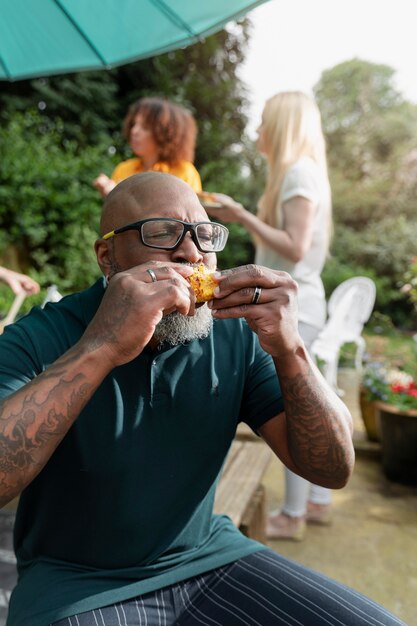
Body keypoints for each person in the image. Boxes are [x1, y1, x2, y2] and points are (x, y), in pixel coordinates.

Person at [0, 173, 405, 626]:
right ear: (107, 257)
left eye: (204, 235)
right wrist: (102, 346)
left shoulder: (237, 333)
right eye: (162, 232)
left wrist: (292, 350)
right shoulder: (38, 338)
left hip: (208, 558)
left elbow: (332, 468)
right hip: (76, 586)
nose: (191, 252)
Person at [203, 91, 335, 541]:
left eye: (264, 121)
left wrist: (239, 216)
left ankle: (293, 514)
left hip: (297, 307)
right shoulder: (299, 173)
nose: (258, 130)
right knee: (309, 397)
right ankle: (316, 503)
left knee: (294, 405)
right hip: (302, 304)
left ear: (283, 126)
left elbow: (295, 247)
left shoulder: (299, 172)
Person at [93, 97, 202, 197]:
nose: (134, 131)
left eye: (145, 127)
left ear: (165, 134)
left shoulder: (184, 172)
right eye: (134, 124)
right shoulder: (123, 169)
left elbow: (189, 216)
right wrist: (110, 197)